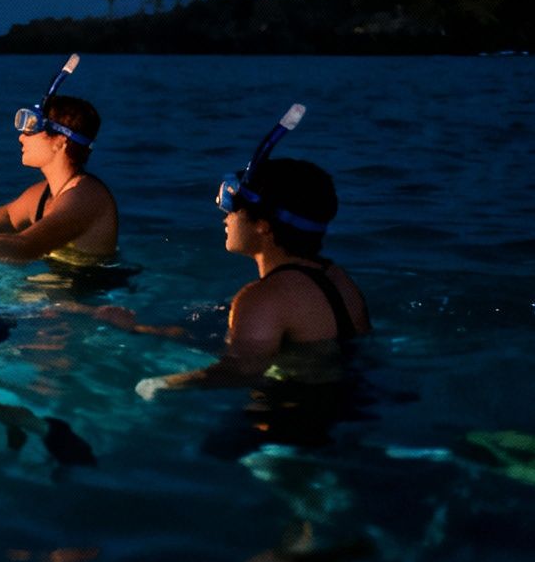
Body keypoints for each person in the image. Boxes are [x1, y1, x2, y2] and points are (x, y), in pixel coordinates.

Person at [138, 106, 371, 399]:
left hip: (290, 419)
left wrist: (161, 384)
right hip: (349, 401)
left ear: (262, 226)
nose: (226, 218)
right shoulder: (339, 279)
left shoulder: (261, 297)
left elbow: (240, 371)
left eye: (233, 209)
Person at [0, 56, 118, 264]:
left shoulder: (86, 198)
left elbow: (26, 247)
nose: (21, 136)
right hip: (55, 289)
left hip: (89, 294)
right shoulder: (40, 195)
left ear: (59, 142)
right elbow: (2, 219)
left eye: (32, 130)